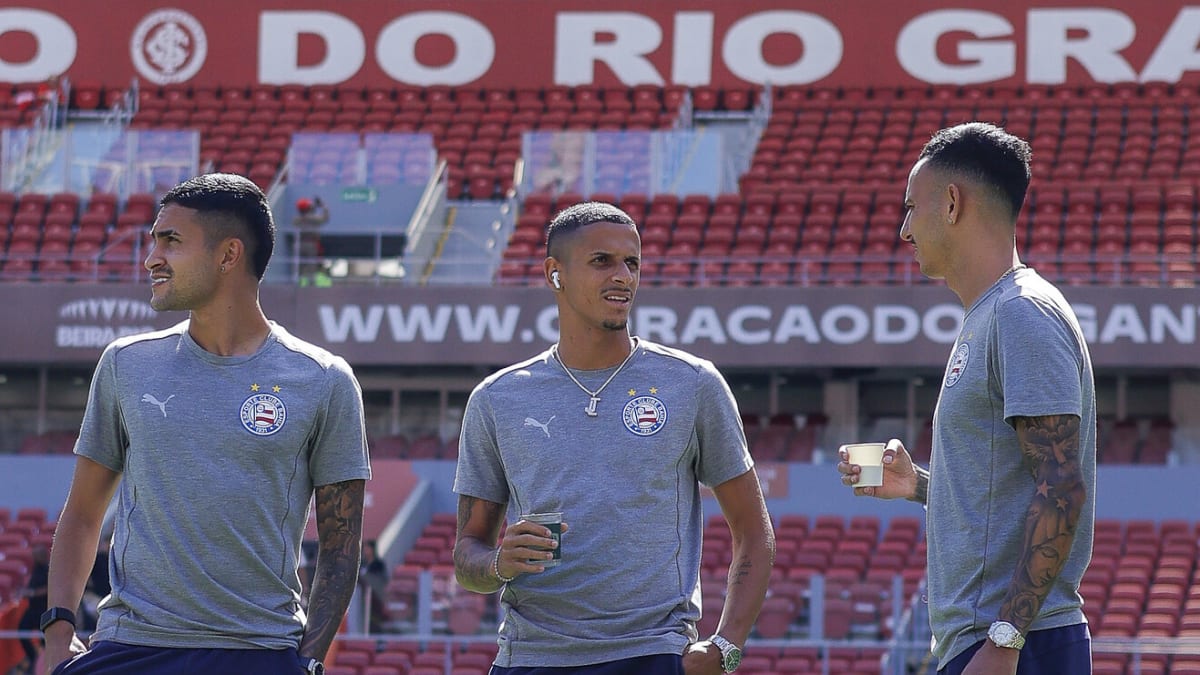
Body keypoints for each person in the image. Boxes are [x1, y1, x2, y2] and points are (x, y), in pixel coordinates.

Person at [41, 173, 371, 675]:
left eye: (170, 241)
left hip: (259, 652)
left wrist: (308, 661)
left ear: (228, 255)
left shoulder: (324, 379)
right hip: (131, 647)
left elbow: (341, 546)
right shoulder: (126, 364)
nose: (152, 258)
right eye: (154, 241)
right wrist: (57, 635)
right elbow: (83, 515)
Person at [453, 201, 775, 675]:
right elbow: (467, 556)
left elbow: (754, 531)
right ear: (554, 273)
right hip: (530, 659)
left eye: (632, 262)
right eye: (602, 261)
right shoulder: (497, 399)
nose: (623, 276)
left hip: (651, 655)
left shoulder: (692, 383)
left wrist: (726, 646)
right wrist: (500, 563)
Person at [838, 123, 1096, 675]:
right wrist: (922, 487)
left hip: (1015, 645)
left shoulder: (1020, 313)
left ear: (952, 204)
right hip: (993, 641)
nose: (904, 229)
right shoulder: (991, 316)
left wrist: (1005, 638)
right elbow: (1016, 485)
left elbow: (1062, 488)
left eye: (911, 208)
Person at [16, 545, 49, 673]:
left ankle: (43, 662)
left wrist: (33, 593)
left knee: (45, 638)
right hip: (32, 609)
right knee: (22, 629)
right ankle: (33, 657)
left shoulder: (48, 570)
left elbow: (48, 588)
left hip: (43, 609)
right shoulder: (35, 569)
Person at [358, 540, 389, 633]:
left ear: (372, 549)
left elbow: (381, 580)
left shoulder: (378, 564)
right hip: (362, 599)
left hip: (375, 599)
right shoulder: (362, 564)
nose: (365, 550)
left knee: (374, 623)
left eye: (367, 548)